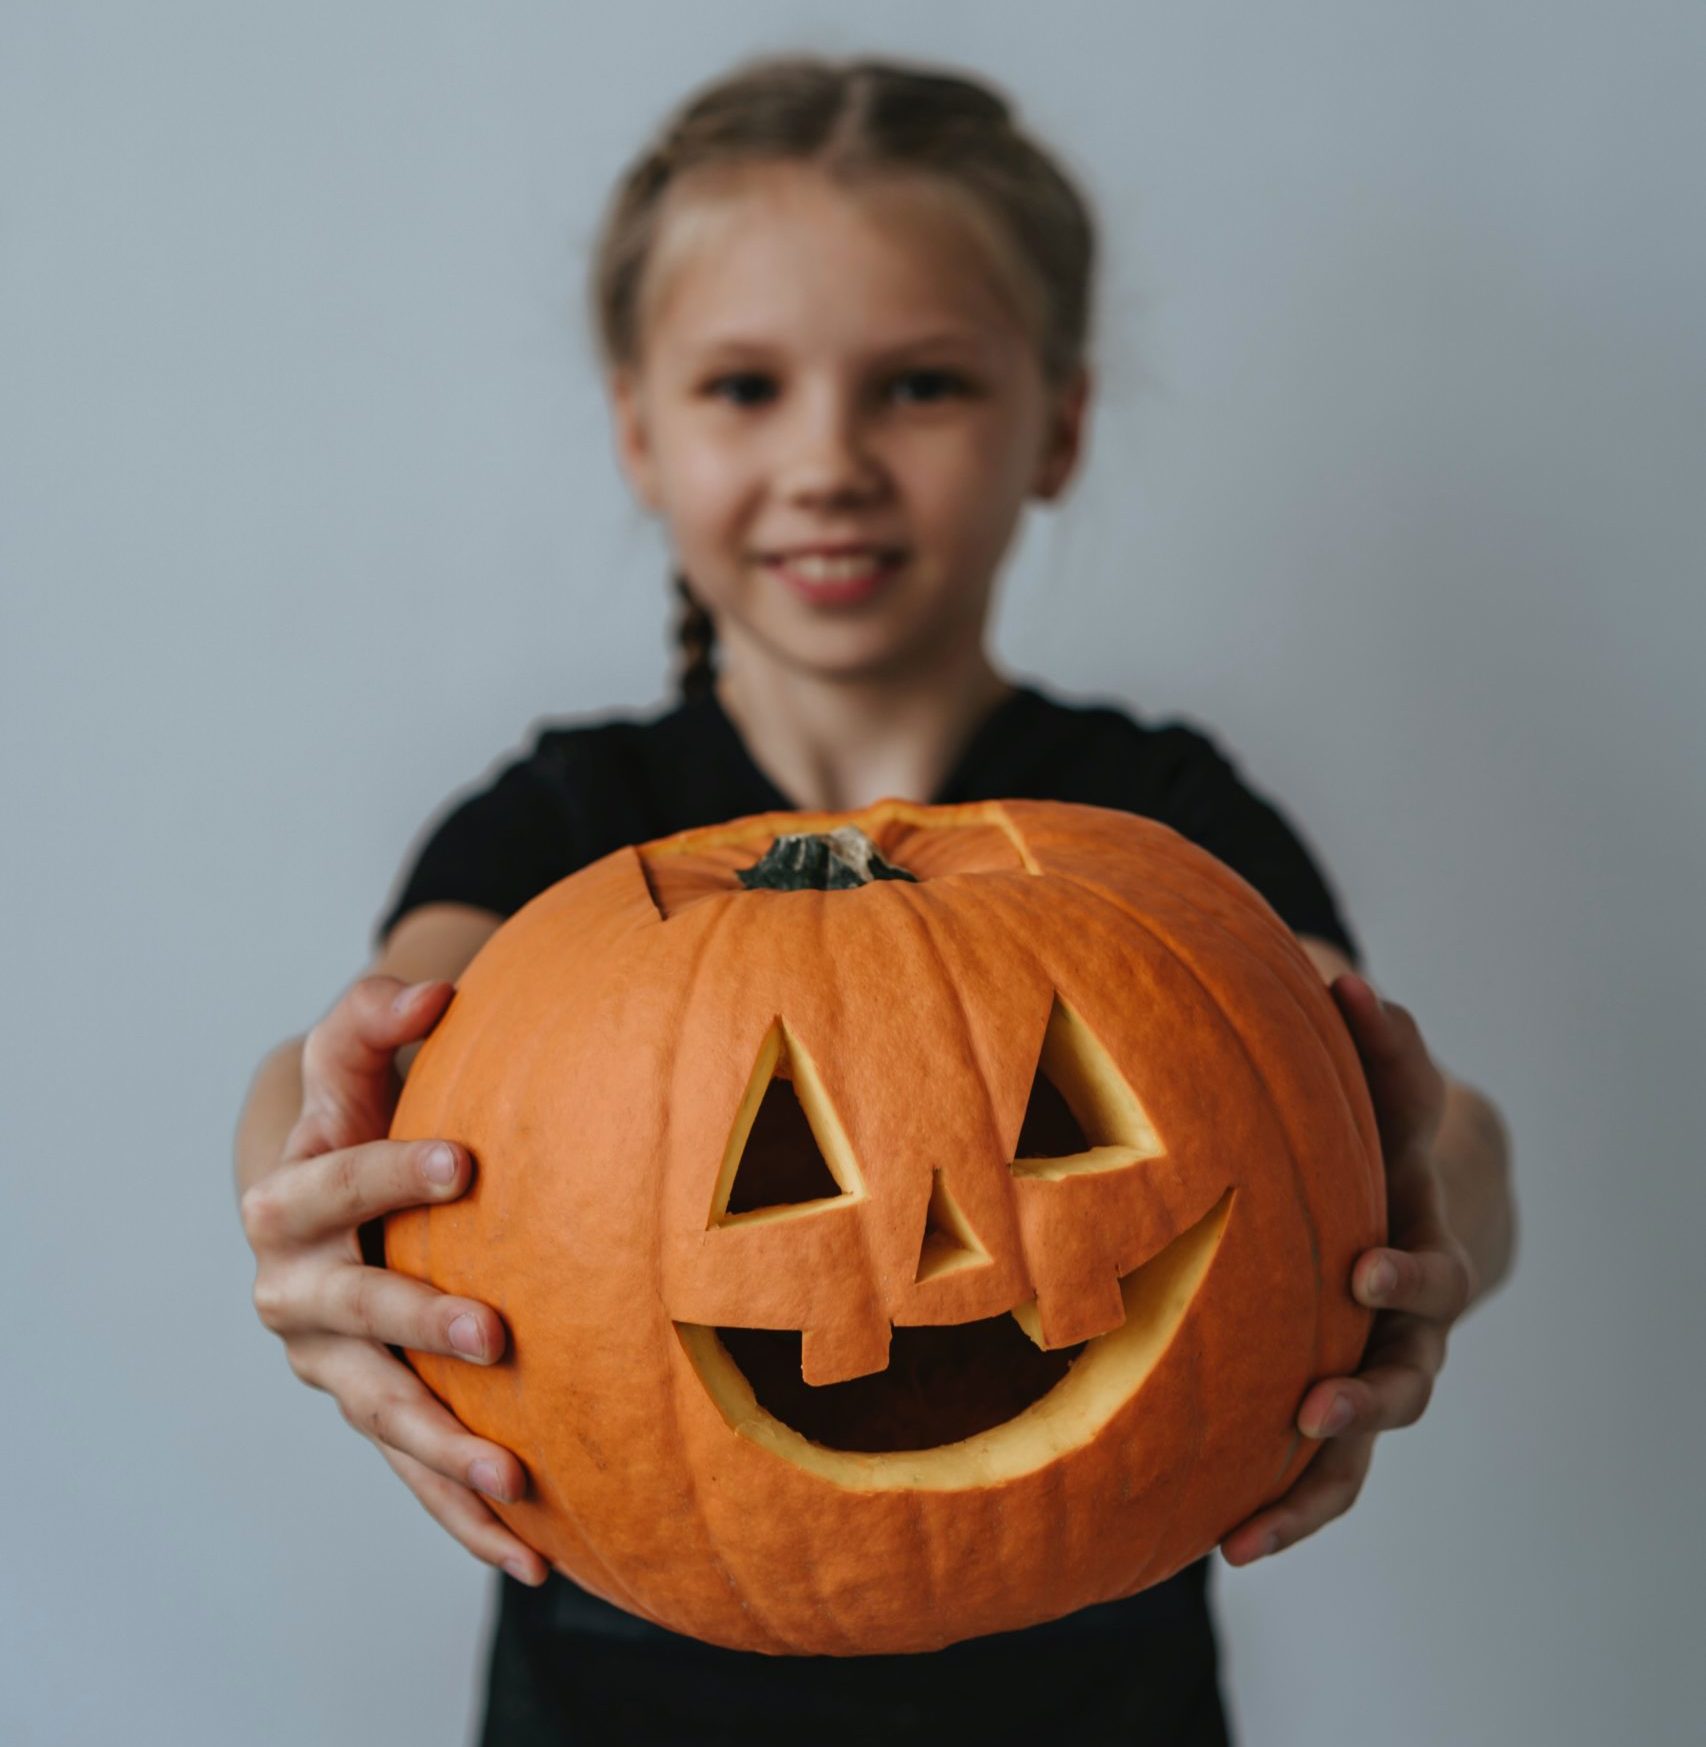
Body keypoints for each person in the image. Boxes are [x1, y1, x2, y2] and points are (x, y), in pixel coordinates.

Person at [233, 52, 1515, 1746]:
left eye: (917, 386)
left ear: (1054, 423)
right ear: (637, 429)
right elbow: (351, 1061)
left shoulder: (1152, 822)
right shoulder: (567, 825)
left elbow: (1410, 1121)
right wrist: (300, 1195)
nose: (828, 459)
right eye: (745, 388)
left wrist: (1427, 1232)